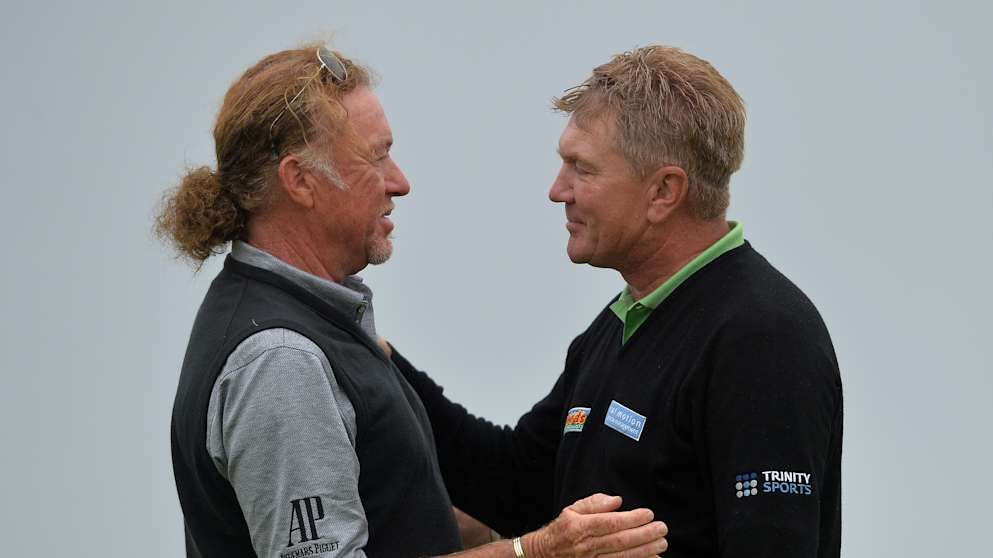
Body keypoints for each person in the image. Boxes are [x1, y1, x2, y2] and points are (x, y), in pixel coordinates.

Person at [157, 44, 668, 558]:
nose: (398, 182)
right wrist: (534, 552)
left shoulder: (299, 325)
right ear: (300, 181)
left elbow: (390, 517)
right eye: (375, 157)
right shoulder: (281, 360)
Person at [388, 45, 843, 558]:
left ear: (663, 192)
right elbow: (515, 486)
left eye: (581, 168)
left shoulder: (761, 337)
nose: (558, 191)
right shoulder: (624, 321)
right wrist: (376, 359)